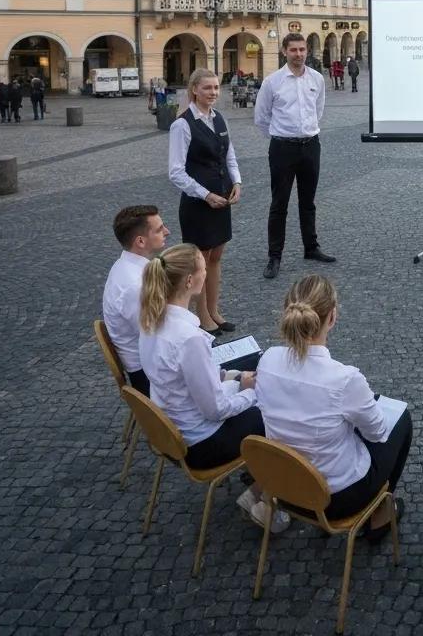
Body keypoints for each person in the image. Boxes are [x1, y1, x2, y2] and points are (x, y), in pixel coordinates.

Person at [255, 275, 411, 541]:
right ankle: (378, 516)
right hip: (336, 499)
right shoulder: (345, 379)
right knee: (402, 420)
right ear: (332, 317)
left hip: (284, 486)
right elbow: (376, 433)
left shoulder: (268, 359)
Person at [138, 243, 275, 526]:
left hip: (174, 427)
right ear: (190, 281)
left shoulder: (151, 319)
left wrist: (236, 378)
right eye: (203, 269)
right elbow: (216, 410)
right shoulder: (189, 338)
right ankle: (263, 495)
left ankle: (260, 476)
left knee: (252, 384)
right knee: (277, 411)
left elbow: (191, 379)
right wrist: (253, 392)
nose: (206, 273)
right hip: (201, 442)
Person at [168, 68, 242, 336]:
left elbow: (229, 155)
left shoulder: (219, 118)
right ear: (194, 90)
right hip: (198, 203)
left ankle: (213, 310)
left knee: (216, 257)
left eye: (216, 87)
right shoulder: (182, 125)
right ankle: (202, 317)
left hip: (221, 198)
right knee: (200, 261)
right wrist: (205, 195)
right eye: (207, 88)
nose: (213, 92)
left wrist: (237, 182)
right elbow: (176, 172)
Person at [255, 33, 335, 280]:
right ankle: (274, 256)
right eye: (293, 50)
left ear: (307, 51)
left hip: (310, 145)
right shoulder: (272, 82)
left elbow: (318, 109)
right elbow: (261, 117)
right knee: (279, 204)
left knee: (308, 201)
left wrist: (305, 131)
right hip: (282, 148)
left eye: (302, 49)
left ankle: (311, 247)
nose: (298, 54)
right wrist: (281, 136)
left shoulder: (317, 79)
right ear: (284, 51)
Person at [102, 205, 170, 395]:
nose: (167, 231)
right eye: (159, 229)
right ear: (140, 241)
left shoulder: (125, 266)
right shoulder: (136, 285)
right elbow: (157, 337)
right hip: (151, 375)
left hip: (151, 362)